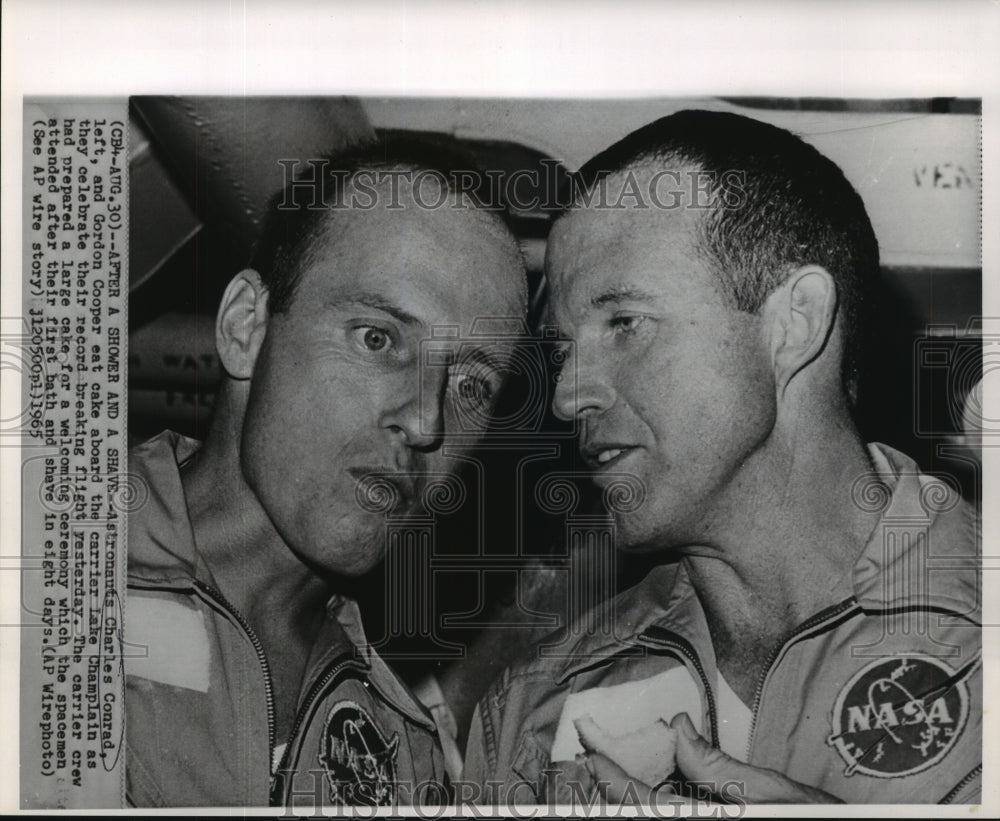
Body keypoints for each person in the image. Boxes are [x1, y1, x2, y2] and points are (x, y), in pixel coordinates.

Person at [463, 110, 981, 805]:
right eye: (561, 348)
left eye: (623, 324)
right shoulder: (534, 712)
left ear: (793, 324)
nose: (567, 394)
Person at [124, 137, 529, 807]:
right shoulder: (38, 569)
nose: (425, 421)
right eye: (378, 339)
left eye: (471, 385)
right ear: (246, 327)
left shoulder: (407, 754)